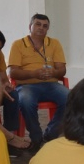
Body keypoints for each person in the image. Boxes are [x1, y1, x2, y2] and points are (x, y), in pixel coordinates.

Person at [4, 13, 69, 147]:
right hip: (27, 85)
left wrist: (54, 72)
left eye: (45, 26)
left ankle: (51, 134)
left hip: (51, 84)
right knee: (26, 101)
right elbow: (13, 72)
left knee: (71, 98)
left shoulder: (54, 43)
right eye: (38, 24)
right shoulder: (18, 44)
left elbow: (62, 70)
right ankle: (36, 137)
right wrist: (34, 73)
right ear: (30, 26)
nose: (41, 28)